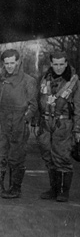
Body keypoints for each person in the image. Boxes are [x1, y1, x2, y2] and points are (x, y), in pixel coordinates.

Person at [0, 49, 37, 199]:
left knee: (16, 155)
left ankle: (15, 188)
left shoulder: (28, 80)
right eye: (6, 63)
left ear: (18, 62)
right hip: (0, 119)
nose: (9, 66)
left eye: (12, 63)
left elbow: (33, 105)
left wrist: (25, 120)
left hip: (18, 120)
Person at [35, 51, 80, 202]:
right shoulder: (44, 79)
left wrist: (77, 129)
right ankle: (53, 189)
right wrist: (37, 123)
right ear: (51, 64)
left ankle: (63, 191)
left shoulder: (73, 82)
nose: (59, 67)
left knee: (62, 157)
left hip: (63, 123)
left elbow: (79, 108)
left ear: (66, 63)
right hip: (46, 122)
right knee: (48, 156)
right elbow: (38, 101)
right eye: (56, 64)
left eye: (62, 64)